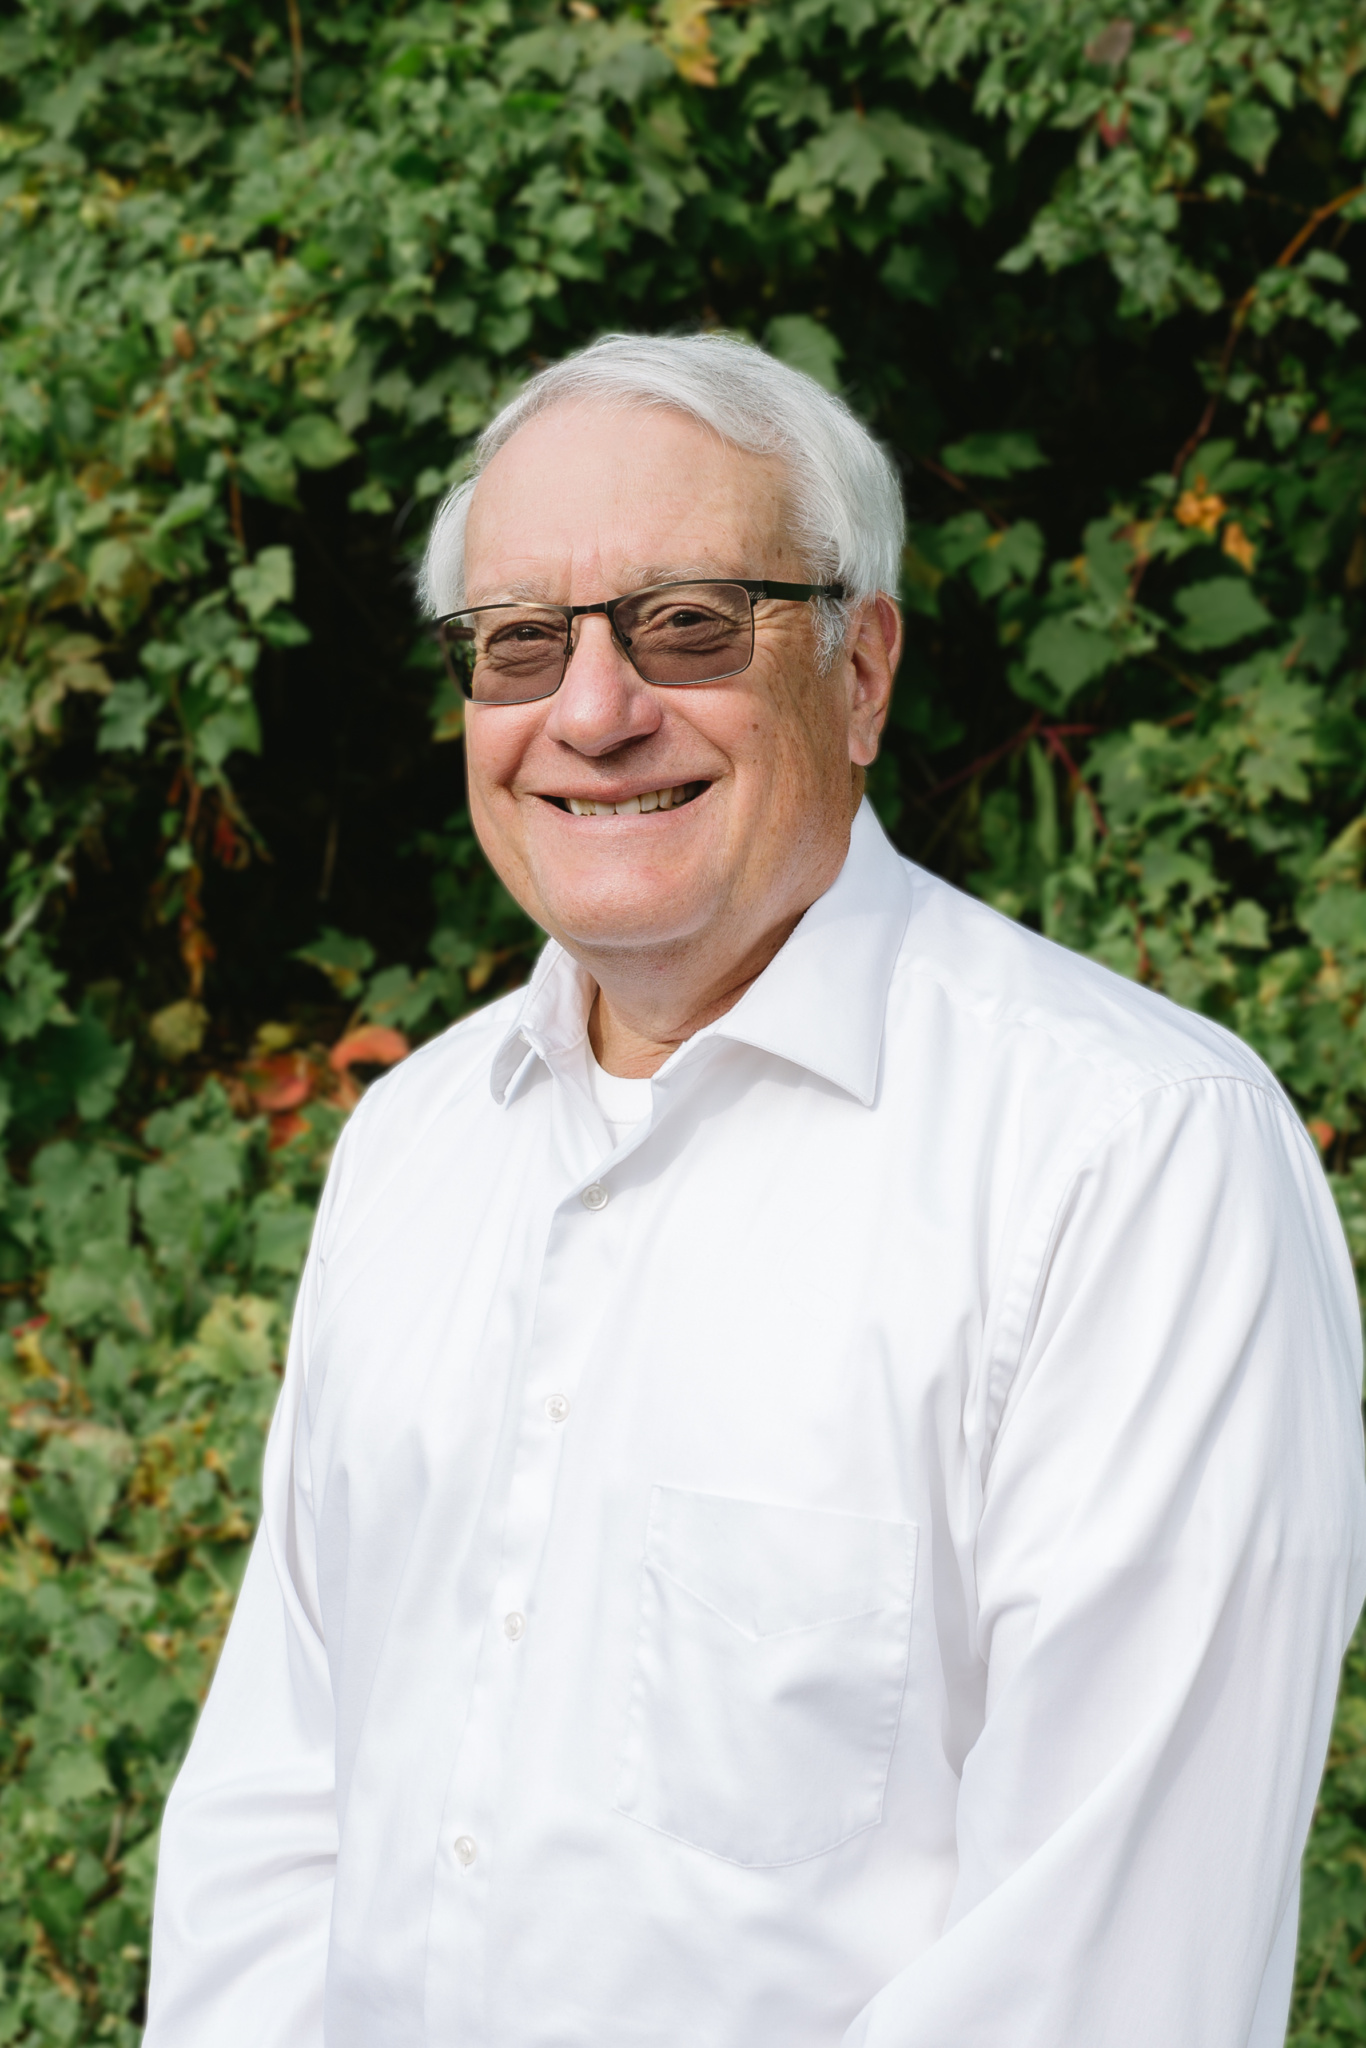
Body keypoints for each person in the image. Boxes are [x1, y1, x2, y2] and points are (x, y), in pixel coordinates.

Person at [145, 332, 1366, 2048]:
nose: (592, 713)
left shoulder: (1127, 1161)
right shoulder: (414, 1144)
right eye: (519, 644)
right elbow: (277, 1817)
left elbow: (1101, 1971)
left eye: (689, 625)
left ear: (860, 671)